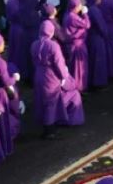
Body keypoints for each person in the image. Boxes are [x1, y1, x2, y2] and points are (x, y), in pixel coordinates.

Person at [31, 10, 85, 139]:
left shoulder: (34, 44)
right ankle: (50, 130)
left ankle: (45, 126)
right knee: (51, 101)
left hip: (38, 74)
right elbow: (59, 64)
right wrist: (64, 77)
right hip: (51, 76)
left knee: (41, 100)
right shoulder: (53, 46)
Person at [61, 0, 90, 93]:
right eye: (79, 5)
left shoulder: (67, 15)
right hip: (78, 46)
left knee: (74, 67)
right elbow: (87, 24)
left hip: (72, 45)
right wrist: (85, 14)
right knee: (79, 69)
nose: (80, 7)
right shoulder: (73, 17)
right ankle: (79, 89)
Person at [85, 0, 110, 90]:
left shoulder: (89, 8)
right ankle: (98, 83)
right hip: (97, 38)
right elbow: (101, 25)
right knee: (99, 61)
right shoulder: (94, 10)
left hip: (91, 38)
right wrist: (106, 34)